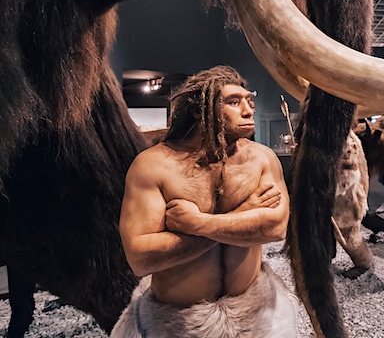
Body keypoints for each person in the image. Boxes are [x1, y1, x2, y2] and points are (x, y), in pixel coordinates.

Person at [112, 66, 298, 337]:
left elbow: (275, 228)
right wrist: (244, 214)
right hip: (178, 321)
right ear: (202, 109)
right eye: (234, 102)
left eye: (250, 101)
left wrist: (198, 222)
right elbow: (141, 258)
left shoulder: (261, 158)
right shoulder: (153, 165)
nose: (249, 110)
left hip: (256, 313)